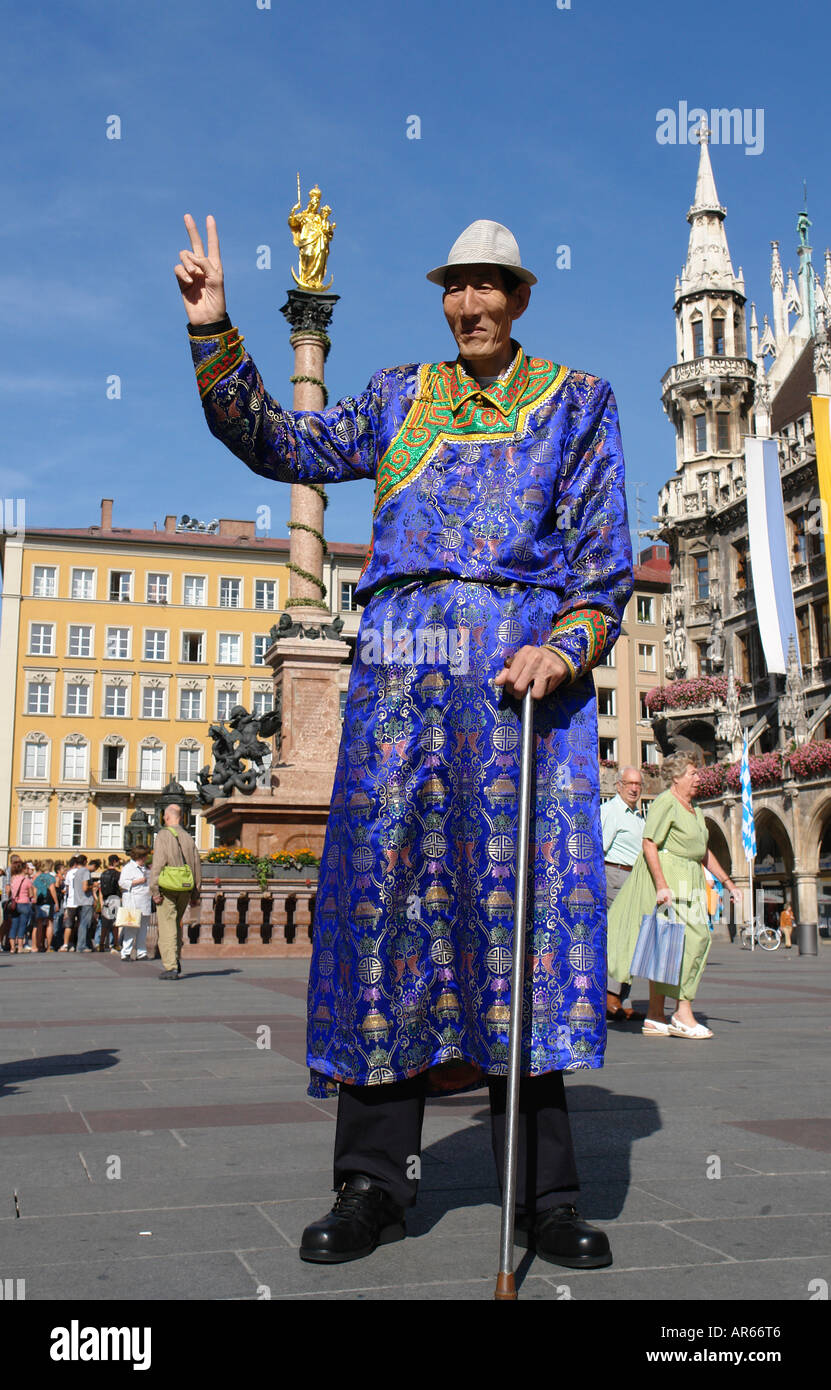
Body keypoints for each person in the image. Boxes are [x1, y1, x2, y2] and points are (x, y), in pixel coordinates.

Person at [176, 213, 633, 1269]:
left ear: (520, 298)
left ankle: (546, 1197)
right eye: (455, 288)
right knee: (384, 917)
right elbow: (281, 443)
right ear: (444, 299)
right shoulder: (396, 396)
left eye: (489, 288)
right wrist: (214, 329)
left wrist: (562, 652)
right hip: (395, 698)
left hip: (520, 706)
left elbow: (604, 566)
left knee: (521, 929)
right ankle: (372, 1185)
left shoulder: (579, 402)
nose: (470, 305)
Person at [607, 753, 742, 1040]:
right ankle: (683, 1012)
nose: (698, 778)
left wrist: (727, 881)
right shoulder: (665, 803)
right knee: (695, 940)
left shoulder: (694, 808)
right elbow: (649, 843)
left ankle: (656, 1016)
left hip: (691, 879)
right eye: (692, 773)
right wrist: (661, 884)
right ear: (677, 777)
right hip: (672, 880)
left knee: (666, 948)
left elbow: (702, 851)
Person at [601, 768, 646, 1022]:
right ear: (618, 785)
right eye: (629, 783)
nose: (634, 788)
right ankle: (611, 996)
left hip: (635, 880)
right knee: (620, 938)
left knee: (633, 941)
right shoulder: (611, 812)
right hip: (616, 877)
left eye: (638, 784)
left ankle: (623, 997)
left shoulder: (638, 816)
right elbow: (600, 850)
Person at [149, 805, 201, 979]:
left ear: (166, 817)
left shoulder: (164, 834)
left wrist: (154, 889)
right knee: (176, 924)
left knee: (167, 925)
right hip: (185, 887)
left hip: (168, 887)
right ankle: (175, 959)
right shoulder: (188, 837)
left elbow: (158, 863)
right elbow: (196, 865)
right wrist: (196, 893)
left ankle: (171, 966)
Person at [118, 847, 152, 961]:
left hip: (145, 901)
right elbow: (122, 883)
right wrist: (137, 881)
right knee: (131, 928)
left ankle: (141, 952)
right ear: (140, 856)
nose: (147, 858)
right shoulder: (129, 868)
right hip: (133, 902)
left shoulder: (145, 868)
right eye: (146, 855)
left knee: (143, 928)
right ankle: (126, 952)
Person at [63, 855, 94, 953]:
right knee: (85, 923)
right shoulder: (85, 871)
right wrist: (93, 885)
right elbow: (85, 888)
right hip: (86, 900)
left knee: (80, 924)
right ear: (85, 861)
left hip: (77, 900)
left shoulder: (74, 872)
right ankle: (82, 945)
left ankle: (82, 944)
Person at [7, 862, 35, 953]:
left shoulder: (13, 879)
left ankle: (12, 947)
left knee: (14, 925)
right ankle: (19, 947)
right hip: (24, 904)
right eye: (26, 868)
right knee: (22, 926)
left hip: (14, 904)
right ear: (23, 870)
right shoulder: (27, 881)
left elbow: (10, 892)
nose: (28, 870)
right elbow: (31, 894)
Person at [98, 855, 123, 953]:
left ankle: (101, 944)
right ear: (115, 861)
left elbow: (101, 889)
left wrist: (101, 901)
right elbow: (121, 887)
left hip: (105, 899)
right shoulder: (118, 874)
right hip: (115, 899)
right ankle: (116, 944)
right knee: (115, 923)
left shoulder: (103, 874)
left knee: (105, 923)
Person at [32, 859, 57, 952]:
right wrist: (56, 902)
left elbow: (34, 890)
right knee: (49, 924)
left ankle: (39, 945)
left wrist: (35, 899)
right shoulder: (50, 878)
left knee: (39, 924)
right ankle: (48, 947)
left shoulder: (37, 878)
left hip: (39, 901)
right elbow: (52, 890)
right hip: (48, 901)